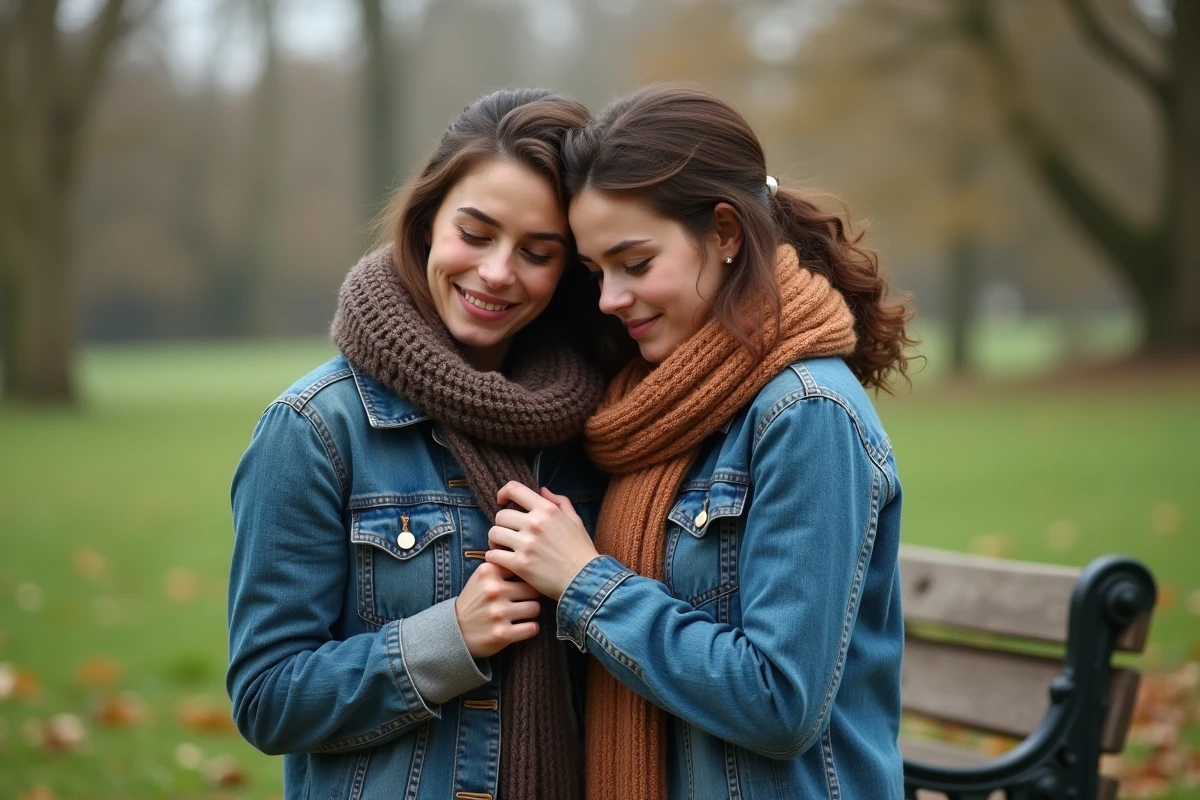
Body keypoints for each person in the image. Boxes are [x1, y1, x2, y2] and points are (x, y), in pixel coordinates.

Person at [486, 85, 916, 800]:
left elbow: (780, 700)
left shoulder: (805, 413)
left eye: (635, 262)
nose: (609, 299)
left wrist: (587, 583)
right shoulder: (655, 407)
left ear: (723, 233)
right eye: (596, 272)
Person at [227, 88, 608, 800]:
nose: (497, 272)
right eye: (476, 232)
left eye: (537, 251)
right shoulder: (316, 428)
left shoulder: (600, 428)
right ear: (428, 221)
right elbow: (266, 699)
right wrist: (447, 640)